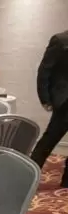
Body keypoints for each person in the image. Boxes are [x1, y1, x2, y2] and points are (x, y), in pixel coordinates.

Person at [32, 30, 68, 187]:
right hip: (65, 100)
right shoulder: (61, 40)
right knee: (50, 139)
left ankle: (67, 181)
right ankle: (28, 176)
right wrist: (45, 98)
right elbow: (45, 70)